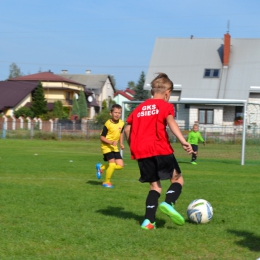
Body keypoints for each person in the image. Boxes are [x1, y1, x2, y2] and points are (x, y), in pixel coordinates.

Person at [124, 73, 193, 230]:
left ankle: (148, 221)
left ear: (151, 91)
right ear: (168, 92)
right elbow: (171, 122)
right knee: (177, 180)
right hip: (160, 148)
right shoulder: (165, 106)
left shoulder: (138, 109)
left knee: (155, 187)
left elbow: (127, 129)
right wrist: (183, 141)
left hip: (142, 152)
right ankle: (169, 203)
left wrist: (133, 146)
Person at [96, 104, 125, 188]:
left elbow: (121, 133)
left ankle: (101, 167)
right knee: (112, 164)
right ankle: (106, 182)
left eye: (119, 113)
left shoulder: (122, 123)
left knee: (120, 166)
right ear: (111, 113)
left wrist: (121, 143)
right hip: (106, 146)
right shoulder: (107, 124)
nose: (117, 114)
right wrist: (111, 142)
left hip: (114, 147)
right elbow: (101, 137)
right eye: (115, 112)